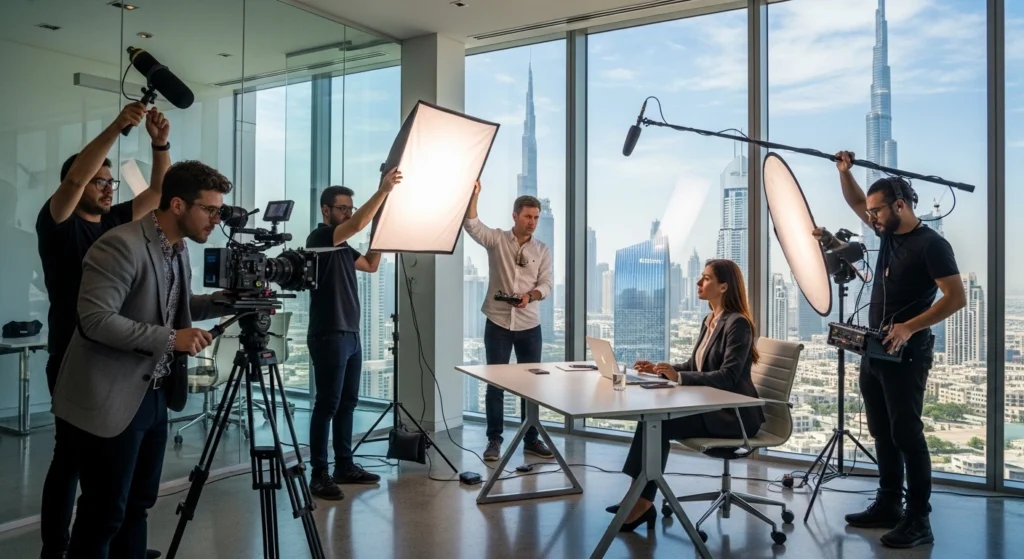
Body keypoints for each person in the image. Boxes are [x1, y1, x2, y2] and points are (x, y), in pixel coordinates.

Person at [50, 160, 233, 558]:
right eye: (210, 209)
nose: (217, 219)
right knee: (104, 514)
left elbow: (177, 306)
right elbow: (95, 320)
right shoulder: (120, 243)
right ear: (179, 205)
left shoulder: (178, 250)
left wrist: (228, 302)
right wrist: (172, 339)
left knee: (138, 507)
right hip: (110, 396)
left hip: (155, 394)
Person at [36, 102, 170, 559]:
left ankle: (108, 545)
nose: (108, 188)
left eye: (111, 182)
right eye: (101, 181)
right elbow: (74, 181)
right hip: (71, 357)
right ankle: (56, 548)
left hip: (109, 363)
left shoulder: (115, 224)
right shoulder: (59, 224)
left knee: (102, 470)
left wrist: (159, 144)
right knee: (69, 462)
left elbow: (157, 191)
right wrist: (117, 126)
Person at [821, 151, 965, 549]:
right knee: (883, 432)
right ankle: (888, 505)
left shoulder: (931, 245)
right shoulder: (886, 234)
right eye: (871, 212)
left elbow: (956, 298)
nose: (871, 218)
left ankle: (919, 520)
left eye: (878, 211)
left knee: (907, 434)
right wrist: (844, 172)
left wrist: (908, 326)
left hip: (909, 351)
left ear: (900, 205)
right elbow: (854, 201)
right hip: (876, 350)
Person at [610, 259, 764, 532]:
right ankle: (636, 497)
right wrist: (661, 370)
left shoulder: (737, 324)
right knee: (651, 420)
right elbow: (697, 366)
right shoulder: (711, 320)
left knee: (660, 423)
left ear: (724, 286)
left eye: (706, 278)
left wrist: (679, 378)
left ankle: (642, 503)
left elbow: (728, 377)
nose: (698, 282)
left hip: (734, 414)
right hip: (713, 407)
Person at [306, 168, 402, 500]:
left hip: (351, 334)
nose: (347, 212)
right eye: (342, 208)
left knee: (347, 403)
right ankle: (318, 474)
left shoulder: (344, 249)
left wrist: (385, 227)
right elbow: (358, 224)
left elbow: (372, 264)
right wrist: (383, 190)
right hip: (329, 334)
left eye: (350, 207)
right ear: (326, 211)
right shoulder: (319, 238)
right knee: (327, 405)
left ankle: (343, 465)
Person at [463, 181, 555, 461]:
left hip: (530, 325)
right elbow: (472, 225)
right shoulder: (498, 240)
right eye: (528, 216)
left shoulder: (542, 250)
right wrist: (475, 195)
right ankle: (494, 440)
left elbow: (548, 284)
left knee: (531, 384)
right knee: (496, 384)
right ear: (515, 216)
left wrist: (531, 296)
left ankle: (531, 439)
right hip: (498, 323)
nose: (533, 222)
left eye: (536, 217)